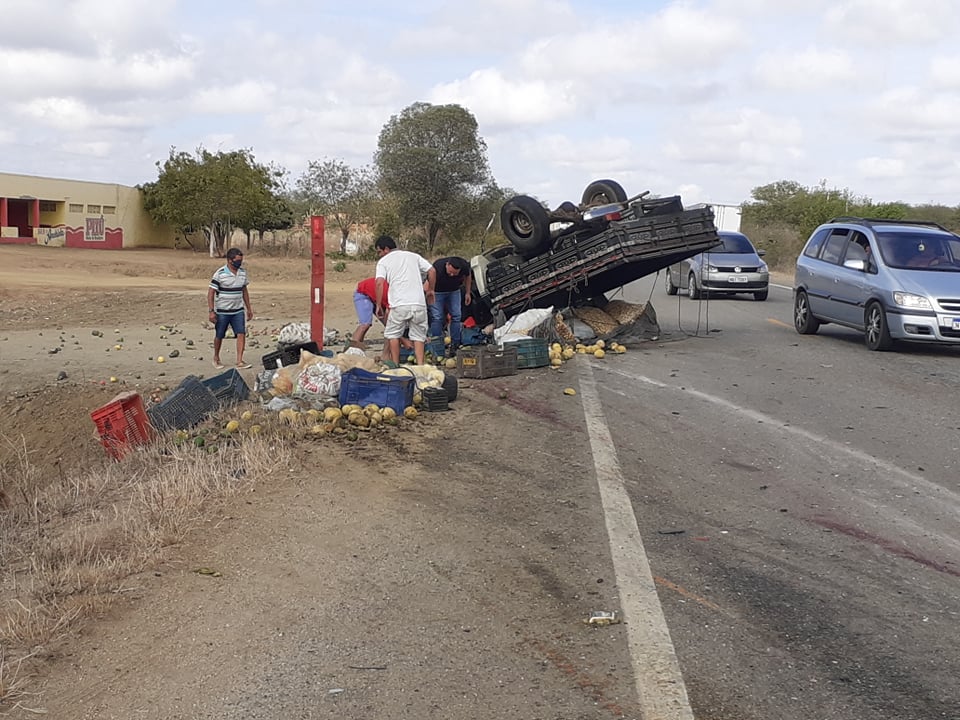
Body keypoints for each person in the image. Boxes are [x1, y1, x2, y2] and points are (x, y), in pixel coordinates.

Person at [374, 236, 436, 365]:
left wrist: (379, 304)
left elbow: (379, 283)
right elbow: (432, 270)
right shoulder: (413, 256)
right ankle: (420, 367)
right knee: (419, 337)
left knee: (393, 335)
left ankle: (396, 366)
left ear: (386, 249)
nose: (379, 255)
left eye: (379, 251)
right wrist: (431, 290)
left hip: (399, 304)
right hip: (418, 304)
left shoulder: (384, 262)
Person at [208, 247, 254, 369]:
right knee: (219, 335)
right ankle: (216, 357)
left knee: (241, 333)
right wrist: (211, 311)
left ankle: (239, 360)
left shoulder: (243, 273)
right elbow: (211, 292)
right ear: (229, 260)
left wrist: (249, 308)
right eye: (237, 261)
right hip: (223, 311)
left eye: (241, 261)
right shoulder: (220, 274)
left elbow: (244, 290)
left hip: (238, 310)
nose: (239, 263)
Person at [351, 276, 414, 352]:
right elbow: (390, 325)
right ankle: (352, 351)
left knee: (393, 327)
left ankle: (383, 354)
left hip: (378, 297)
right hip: (363, 292)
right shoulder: (394, 296)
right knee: (365, 324)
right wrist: (404, 340)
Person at [428, 256, 472, 354]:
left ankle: (455, 345)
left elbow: (468, 276)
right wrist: (429, 293)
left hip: (454, 291)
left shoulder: (464, 265)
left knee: (456, 316)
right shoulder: (438, 266)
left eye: (455, 274)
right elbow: (429, 281)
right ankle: (437, 346)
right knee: (437, 317)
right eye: (450, 272)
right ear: (447, 265)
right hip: (437, 292)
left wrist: (468, 293)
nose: (451, 275)